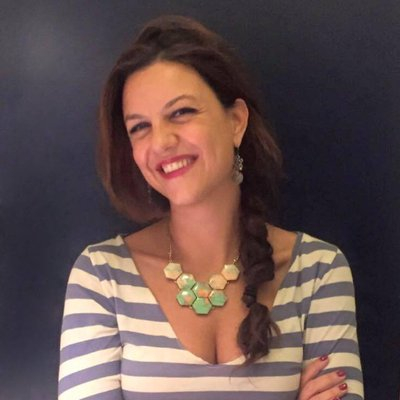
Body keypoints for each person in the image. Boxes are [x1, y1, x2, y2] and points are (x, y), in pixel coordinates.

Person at [58, 15, 363, 400]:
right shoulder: (101, 277)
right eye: (140, 127)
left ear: (236, 121)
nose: (161, 141)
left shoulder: (318, 270)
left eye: (181, 112)